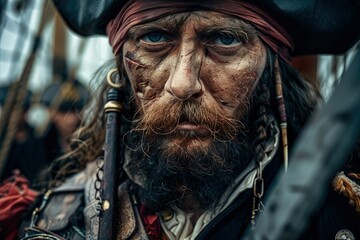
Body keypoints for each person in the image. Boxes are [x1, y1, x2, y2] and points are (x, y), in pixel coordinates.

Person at [19, 0, 360, 239]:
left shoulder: (340, 215)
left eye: (225, 39)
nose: (182, 84)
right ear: (121, 65)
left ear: (271, 73)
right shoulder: (62, 218)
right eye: (154, 38)